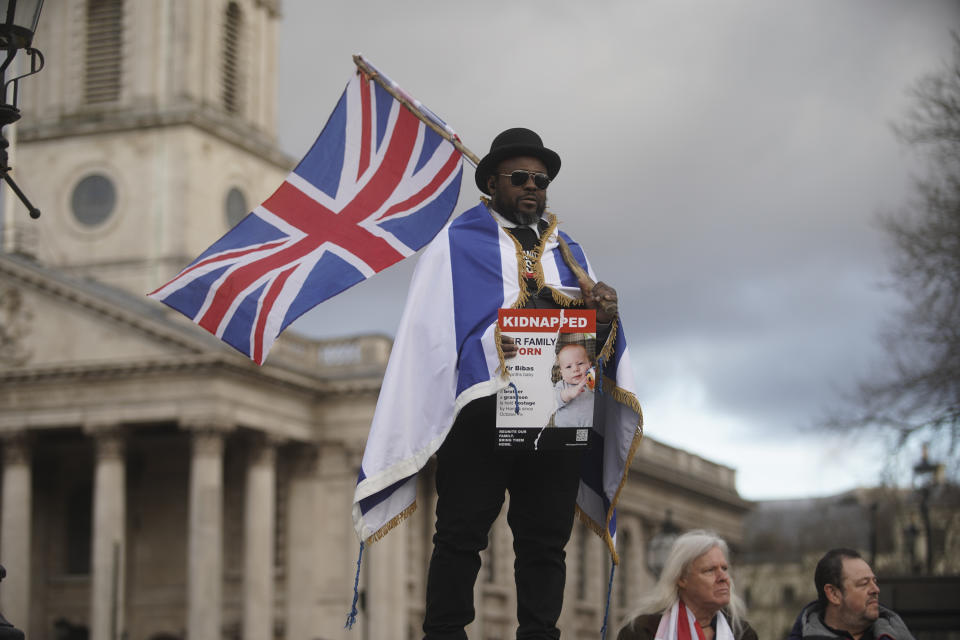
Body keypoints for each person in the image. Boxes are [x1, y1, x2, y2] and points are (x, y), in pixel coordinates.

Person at [415, 127, 625, 639]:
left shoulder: (570, 252)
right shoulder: (459, 241)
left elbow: (597, 345)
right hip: (484, 407)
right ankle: (445, 632)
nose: (533, 186)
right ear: (491, 182)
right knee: (461, 531)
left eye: (541, 178)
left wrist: (603, 314)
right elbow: (434, 326)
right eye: (520, 177)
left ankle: (539, 633)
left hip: (554, 403)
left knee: (545, 538)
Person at [617, 530, 757, 640]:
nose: (724, 578)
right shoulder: (642, 632)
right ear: (682, 579)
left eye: (724, 568)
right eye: (710, 570)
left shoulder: (742, 634)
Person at [787, 548, 915, 640]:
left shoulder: (896, 634)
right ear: (833, 594)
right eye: (864, 583)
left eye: (874, 581)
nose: (876, 589)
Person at [551, 341, 595, 428]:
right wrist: (568, 394)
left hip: (589, 429)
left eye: (580, 363)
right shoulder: (561, 385)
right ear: (562, 373)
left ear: (589, 366)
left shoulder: (592, 382)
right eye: (568, 367)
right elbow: (553, 401)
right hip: (565, 430)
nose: (575, 369)